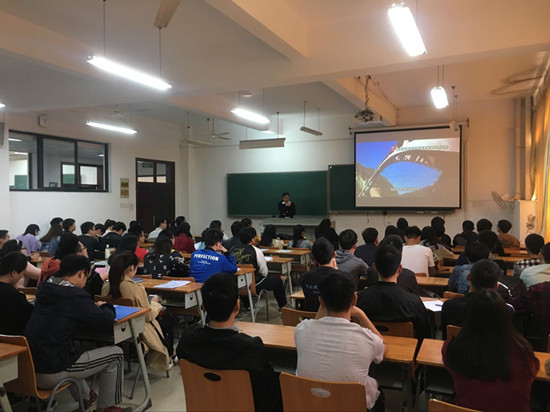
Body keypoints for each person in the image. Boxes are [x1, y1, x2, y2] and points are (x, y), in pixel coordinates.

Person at [25, 254, 128, 412]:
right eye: (86, 277)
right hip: (51, 370)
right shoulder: (75, 296)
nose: (85, 282)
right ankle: (108, 407)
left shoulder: (46, 289)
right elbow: (106, 320)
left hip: (29, 368)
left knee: (72, 352)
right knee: (116, 354)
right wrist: (104, 305)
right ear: (81, 273)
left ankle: (86, 397)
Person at [176, 273, 282, 412]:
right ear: (237, 306)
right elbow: (269, 400)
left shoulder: (187, 341)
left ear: (203, 307)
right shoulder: (251, 349)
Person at [295, 273, 386, 411]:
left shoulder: (301, 329)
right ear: (354, 300)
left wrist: (323, 304)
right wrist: (361, 314)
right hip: (351, 406)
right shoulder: (367, 338)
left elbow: (315, 322)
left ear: (321, 301)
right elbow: (384, 347)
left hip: (309, 405)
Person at [442, 288, 539, 412]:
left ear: (467, 317)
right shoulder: (523, 351)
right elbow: (532, 373)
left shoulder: (452, 350)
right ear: (505, 316)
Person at [102, 251, 172, 370]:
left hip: (111, 328)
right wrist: (155, 303)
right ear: (131, 268)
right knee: (166, 319)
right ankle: (169, 356)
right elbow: (147, 316)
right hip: (134, 329)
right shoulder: (134, 287)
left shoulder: (106, 286)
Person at [357, 243, 431, 339]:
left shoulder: (359, 298)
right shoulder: (413, 302)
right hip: (406, 347)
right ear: (399, 269)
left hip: (368, 345)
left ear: (374, 268)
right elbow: (424, 336)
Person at [442, 259, 505, 338]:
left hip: (459, 345)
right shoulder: (504, 310)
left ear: (468, 277)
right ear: (496, 286)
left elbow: (445, 338)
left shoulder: (449, 306)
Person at [231, 226, 288, 309]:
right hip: (254, 285)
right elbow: (264, 272)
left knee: (245, 280)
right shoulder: (256, 251)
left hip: (235, 285)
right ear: (252, 239)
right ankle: (283, 307)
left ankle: (248, 305)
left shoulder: (232, 249)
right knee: (278, 282)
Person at [301, 238, 346, 312]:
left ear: (313, 257)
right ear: (334, 254)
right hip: (333, 317)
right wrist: (337, 272)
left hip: (311, 317)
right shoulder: (343, 277)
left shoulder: (306, 277)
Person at [0, 251, 34, 335]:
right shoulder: (14, 297)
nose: (21, 277)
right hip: (12, 338)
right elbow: (30, 314)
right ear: (14, 273)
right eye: (22, 274)